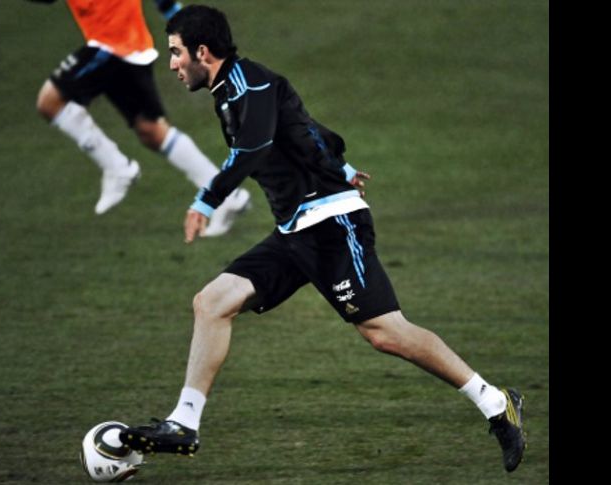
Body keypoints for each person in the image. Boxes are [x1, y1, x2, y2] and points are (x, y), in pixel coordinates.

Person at [116, 4, 526, 474]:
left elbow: (253, 148)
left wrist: (206, 201)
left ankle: (496, 404)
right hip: (295, 228)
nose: (170, 64)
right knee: (211, 302)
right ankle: (184, 423)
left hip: (332, 224)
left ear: (201, 52)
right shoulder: (233, 88)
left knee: (384, 332)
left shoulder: (248, 83)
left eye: (175, 53)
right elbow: (305, 125)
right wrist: (343, 165)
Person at [26, 0, 250, 236]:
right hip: (131, 46)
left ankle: (118, 168)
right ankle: (228, 198)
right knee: (152, 131)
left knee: (49, 102)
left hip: (110, 45)